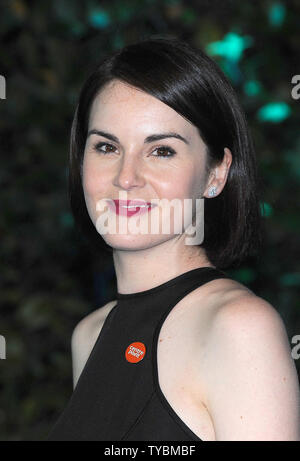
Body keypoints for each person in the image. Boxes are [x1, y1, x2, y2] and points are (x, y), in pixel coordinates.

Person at [47, 35, 300, 441]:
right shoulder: (90, 334)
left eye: (161, 151)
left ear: (216, 174)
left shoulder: (238, 328)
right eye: (107, 146)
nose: (126, 178)